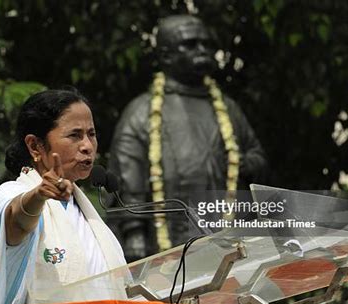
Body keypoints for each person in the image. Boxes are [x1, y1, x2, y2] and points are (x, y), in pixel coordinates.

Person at [108, 15, 267, 259]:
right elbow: (128, 180)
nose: (202, 50)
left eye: (206, 44)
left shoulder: (227, 108)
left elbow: (256, 154)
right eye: (190, 44)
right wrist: (134, 234)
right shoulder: (143, 112)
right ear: (166, 55)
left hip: (227, 233)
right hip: (167, 240)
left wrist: (249, 163)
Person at [0, 89, 126, 304]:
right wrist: (39, 195)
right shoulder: (9, 196)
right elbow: (18, 220)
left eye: (91, 134)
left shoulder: (85, 212)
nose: (87, 146)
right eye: (75, 135)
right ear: (35, 145)